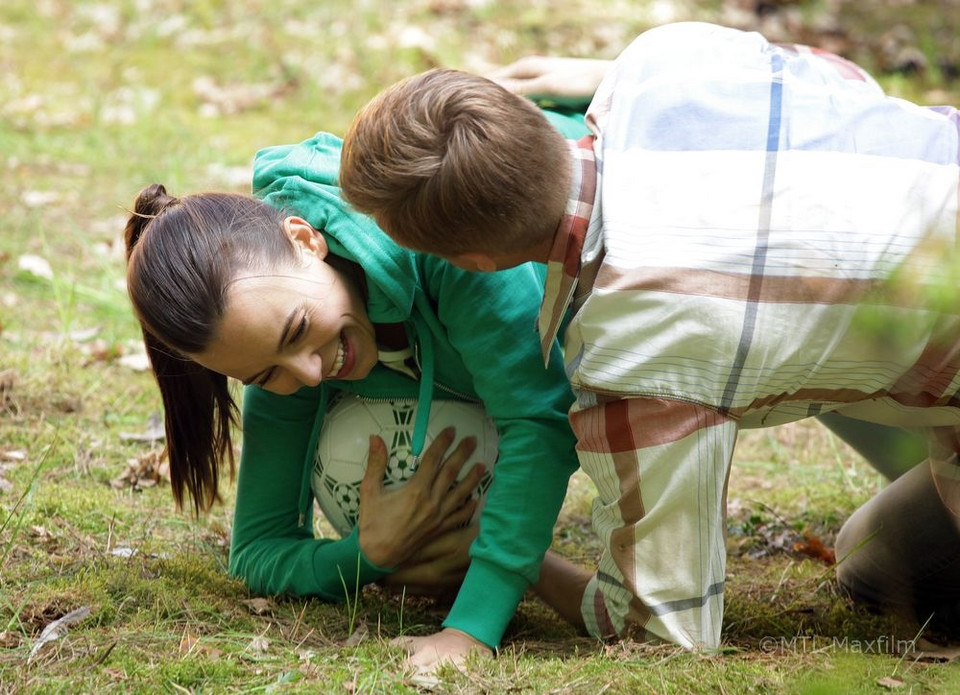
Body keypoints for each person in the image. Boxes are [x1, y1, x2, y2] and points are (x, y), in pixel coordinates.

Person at [339, 20, 960, 663]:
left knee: (867, 560)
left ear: (474, 262)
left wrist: (521, 559)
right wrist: (609, 73)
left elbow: (664, 628)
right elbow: (847, 85)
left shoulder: (631, 352)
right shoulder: (668, 57)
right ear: (526, 112)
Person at [123, 116, 589, 670]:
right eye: (265, 377)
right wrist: (368, 554)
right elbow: (257, 551)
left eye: (296, 331)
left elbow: (539, 420)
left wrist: (469, 629)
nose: (310, 375)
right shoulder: (278, 347)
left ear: (305, 239)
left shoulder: (448, 245)